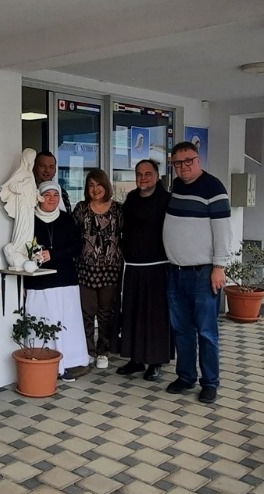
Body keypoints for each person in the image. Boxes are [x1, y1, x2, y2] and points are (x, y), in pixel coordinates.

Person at [163, 141, 232, 404]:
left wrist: (219, 267)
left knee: (206, 332)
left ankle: (210, 383)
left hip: (203, 274)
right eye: (177, 163)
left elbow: (223, 232)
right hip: (176, 271)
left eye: (188, 161)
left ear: (198, 159)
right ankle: (186, 376)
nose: (183, 167)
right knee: (181, 329)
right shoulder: (177, 186)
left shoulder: (214, 188)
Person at [26, 180, 91, 379]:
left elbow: (77, 247)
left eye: (56, 195)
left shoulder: (67, 220)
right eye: (47, 195)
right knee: (43, 321)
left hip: (65, 280)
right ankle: (43, 362)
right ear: (39, 197)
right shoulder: (29, 220)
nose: (52, 199)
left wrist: (53, 254)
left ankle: (71, 361)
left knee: (67, 323)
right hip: (39, 282)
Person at [118, 159, 172, 380]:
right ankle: (136, 359)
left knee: (155, 317)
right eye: (139, 174)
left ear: (157, 176)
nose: (143, 178)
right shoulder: (131, 199)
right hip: (133, 268)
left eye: (148, 174)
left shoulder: (167, 200)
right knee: (133, 315)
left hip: (157, 268)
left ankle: (155, 361)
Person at [73, 168, 122, 370]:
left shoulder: (118, 209)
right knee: (86, 312)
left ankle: (103, 350)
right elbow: (72, 235)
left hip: (110, 269)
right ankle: (88, 350)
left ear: (106, 185)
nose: (95, 189)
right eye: (91, 185)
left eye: (99, 184)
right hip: (85, 269)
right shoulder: (81, 208)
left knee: (105, 313)